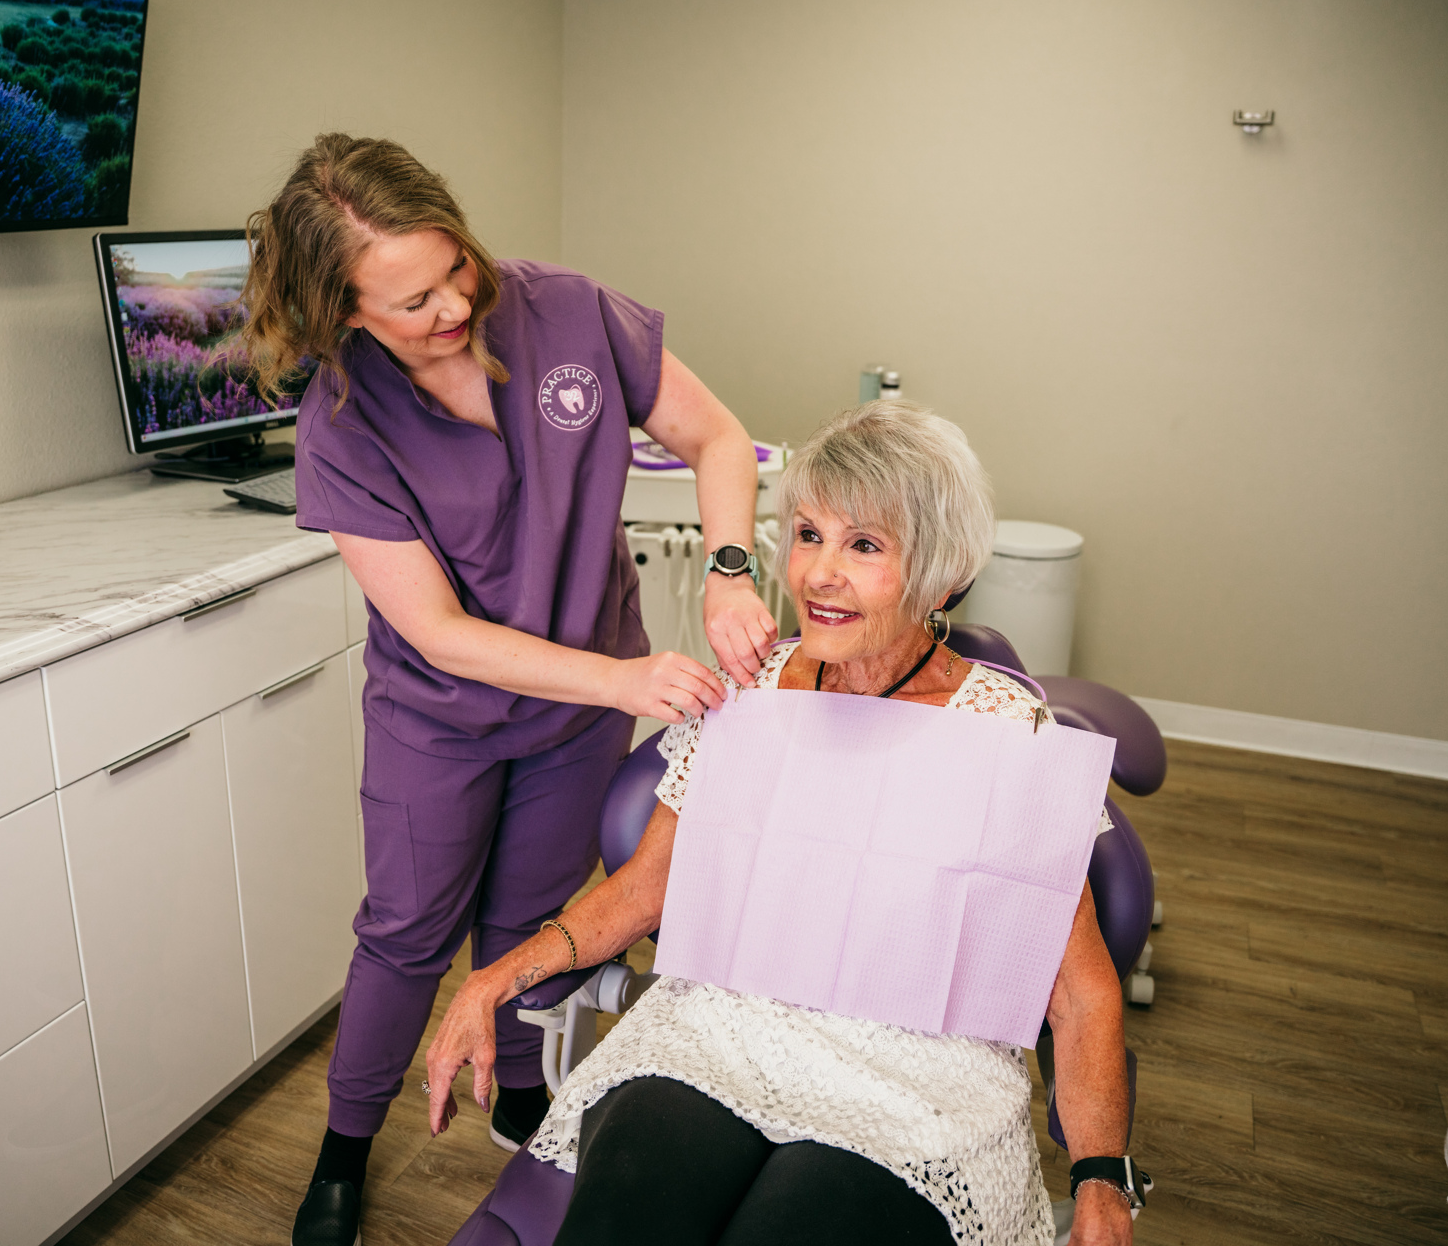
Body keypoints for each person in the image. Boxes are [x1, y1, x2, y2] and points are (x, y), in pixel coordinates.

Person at [236, 134, 778, 1246]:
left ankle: (523, 1089)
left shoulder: (569, 312)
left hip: (576, 720)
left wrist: (729, 567)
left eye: (454, 273)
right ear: (341, 314)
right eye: (408, 301)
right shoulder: (341, 427)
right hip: (443, 722)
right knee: (404, 933)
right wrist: (627, 675)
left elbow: (718, 437)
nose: (449, 308)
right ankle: (344, 1145)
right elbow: (438, 629)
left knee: (532, 920)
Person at [425, 401, 1136, 1246]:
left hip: (915, 1073)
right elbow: (644, 889)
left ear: (939, 574)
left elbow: (1078, 986)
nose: (820, 574)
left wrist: (1101, 1180)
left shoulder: (1002, 729)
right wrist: (493, 978)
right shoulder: (747, 696)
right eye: (808, 534)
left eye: (865, 545)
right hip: (721, 1033)